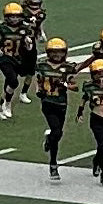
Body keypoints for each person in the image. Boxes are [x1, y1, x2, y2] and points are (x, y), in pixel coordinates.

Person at [36, 37, 78, 181]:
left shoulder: (67, 67)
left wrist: (65, 85)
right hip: (48, 103)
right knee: (57, 130)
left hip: (61, 104)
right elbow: (39, 82)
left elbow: (75, 86)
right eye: (54, 52)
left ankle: (49, 140)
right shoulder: (42, 66)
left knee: (57, 135)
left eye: (59, 52)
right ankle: (53, 164)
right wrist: (39, 90)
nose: (57, 55)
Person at [0, 2, 35, 120]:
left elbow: (27, 43)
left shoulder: (23, 28)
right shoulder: (2, 28)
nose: (14, 19)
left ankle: (0, 105)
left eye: (16, 16)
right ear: (6, 17)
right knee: (13, 81)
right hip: (5, 58)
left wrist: (28, 44)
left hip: (17, 58)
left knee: (8, 83)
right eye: (11, 16)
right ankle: (7, 105)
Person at [18, 0, 47, 105]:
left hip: (31, 44)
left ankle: (23, 92)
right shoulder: (19, 12)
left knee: (31, 71)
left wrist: (41, 33)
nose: (35, 2)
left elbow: (38, 25)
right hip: (18, 44)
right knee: (15, 70)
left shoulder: (40, 13)